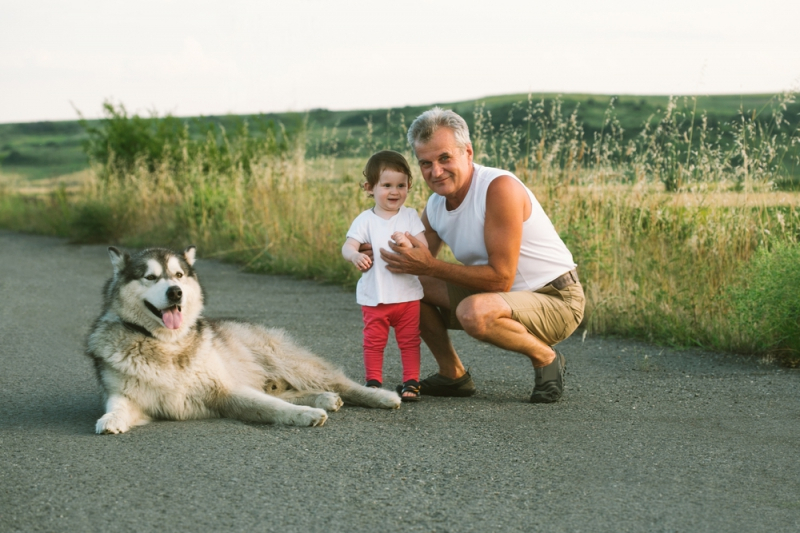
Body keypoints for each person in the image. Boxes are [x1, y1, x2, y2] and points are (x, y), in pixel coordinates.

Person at [377, 108, 585, 403]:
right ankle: (453, 376)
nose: (436, 172)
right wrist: (374, 252)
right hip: (505, 297)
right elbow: (416, 261)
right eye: (426, 163)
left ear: (468, 153)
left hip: (556, 299)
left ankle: (546, 357)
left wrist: (430, 265)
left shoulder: (498, 188)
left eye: (445, 158)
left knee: (473, 312)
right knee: (405, 287)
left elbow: (500, 278)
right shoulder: (436, 204)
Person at [342, 150, 428, 402]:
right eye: (387, 185)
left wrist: (408, 242)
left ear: (409, 186)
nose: (395, 192)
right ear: (370, 188)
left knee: (410, 341)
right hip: (375, 296)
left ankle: (411, 381)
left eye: (401, 185)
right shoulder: (365, 220)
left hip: (407, 296)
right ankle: (373, 382)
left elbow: (425, 251)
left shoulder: (410, 217)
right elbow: (347, 246)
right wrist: (355, 256)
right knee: (373, 342)